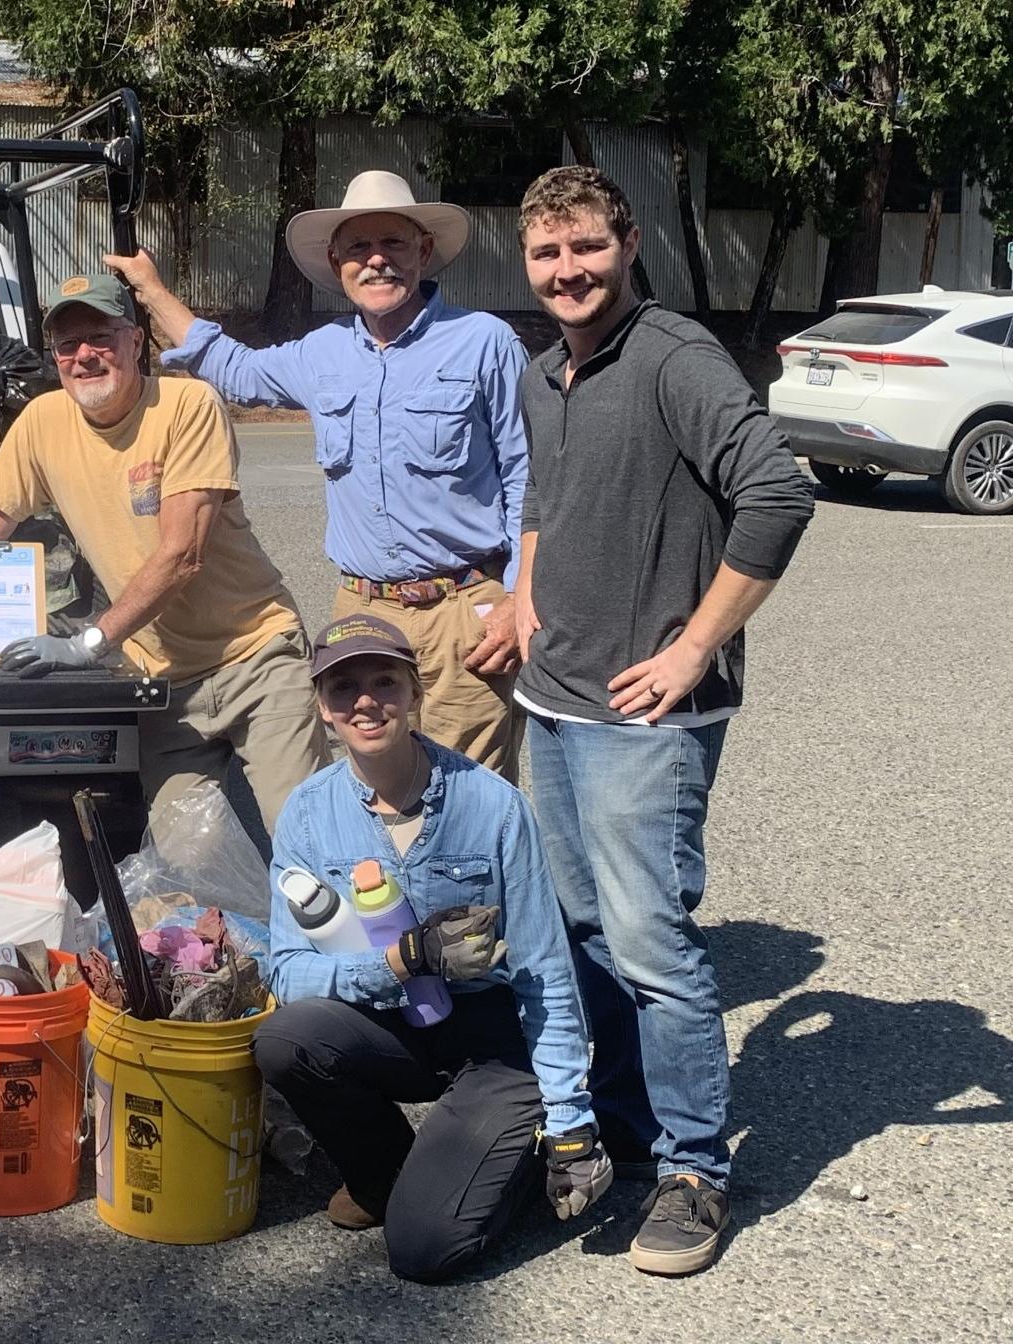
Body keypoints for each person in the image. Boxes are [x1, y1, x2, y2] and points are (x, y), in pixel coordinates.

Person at [512, 167, 815, 1275]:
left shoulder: (672, 356)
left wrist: (693, 645)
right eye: (546, 254)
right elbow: (543, 499)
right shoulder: (549, 370)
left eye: (584, 247)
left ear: (626, 242)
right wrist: (522, 594)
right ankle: (626, 1132)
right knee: (583, 932)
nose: (566, 271)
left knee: (650, 946)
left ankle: (694, 1170)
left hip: (647, 720)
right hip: (551, 702)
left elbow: (778, 494)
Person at [105, 171, 531, 779]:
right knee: (374, 788)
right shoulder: (320, 351)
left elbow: (526, 478)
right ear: (336, 262)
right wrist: (149, 289)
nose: (376, 260)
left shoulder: (484, 342)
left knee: (469, 797)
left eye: (394, 244)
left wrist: (518, 598)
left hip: (465, 610)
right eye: (358, 248)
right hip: (363, 610)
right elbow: (232, 368)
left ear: (424, 252)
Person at [255, 614, 610, 1283]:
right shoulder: (307, 814)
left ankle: (509, 1156)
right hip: (391, 1025)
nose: (365, 700)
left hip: (489, 1039)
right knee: (286, 1039)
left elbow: (544, 974)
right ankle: (385, 1173)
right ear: (322, 709)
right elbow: (287, 972)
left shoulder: (494, 807)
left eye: (384, 681)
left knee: (423, 1252)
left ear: (415, 693)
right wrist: (397, 962)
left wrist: (571, 1124)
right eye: (343, 687)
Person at [0, 276, 329, 829]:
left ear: (136, 342)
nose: (84, 356)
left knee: (304, 838)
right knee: (185, 863)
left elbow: (182, 554)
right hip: (162, 683)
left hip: (257, 658)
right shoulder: (42, 422)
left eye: (100, 337)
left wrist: (89, 643)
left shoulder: (186, 404)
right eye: (67, 345)